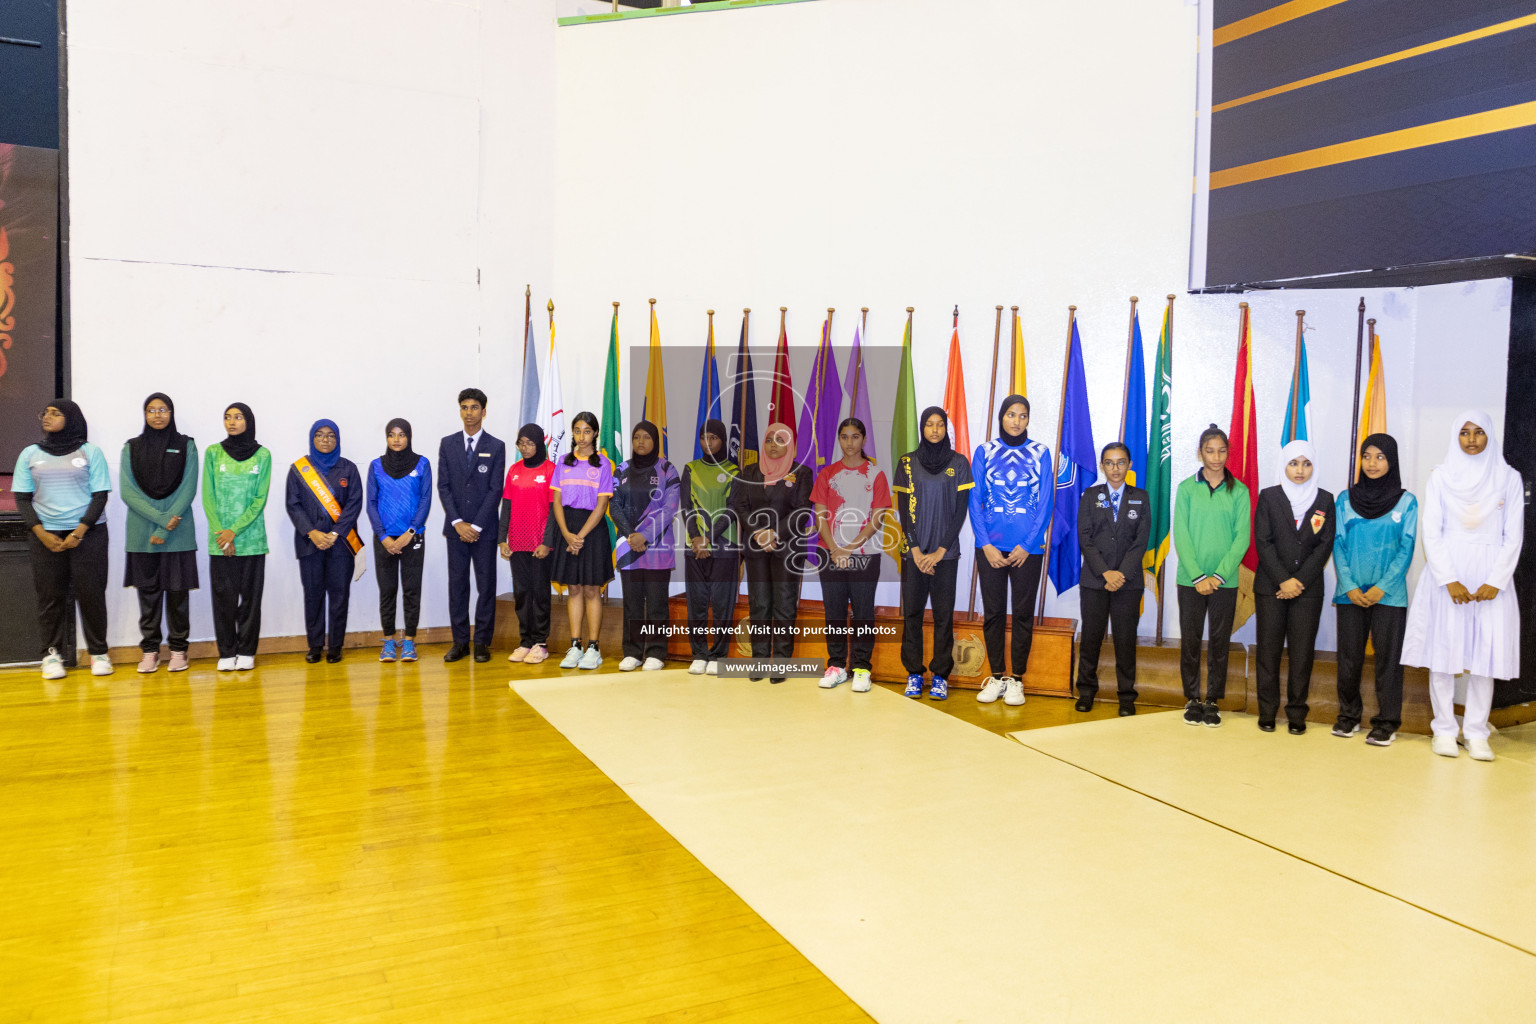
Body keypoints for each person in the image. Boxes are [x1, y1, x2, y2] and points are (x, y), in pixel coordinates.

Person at [1403, 411, 1524, 761]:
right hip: (1448, 574)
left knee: (1485, 656)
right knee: (1443, 652)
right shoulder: (1441, 477)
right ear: (1456, 437)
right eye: (1464, 433)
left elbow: (1512, 535)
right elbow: (1432, 531)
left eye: (1479, 432)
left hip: (1491, 576)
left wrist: (1495, 581)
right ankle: (1443, 728)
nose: (1471, 439)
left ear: (1490, 437)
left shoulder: (1508, 478)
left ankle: (1475, 731)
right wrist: (1449, 578)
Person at [13, 400, 113, 679]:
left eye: (55, 413)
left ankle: (98, 653)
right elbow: (22, 498)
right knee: (50, 596)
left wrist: (80, 531)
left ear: (71, 418)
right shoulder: (29, 454)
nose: (47, 416)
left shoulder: (90, 451)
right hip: (46, 536)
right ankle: (50, 656)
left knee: (91, 595)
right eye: (45, 412)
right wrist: (42, 533)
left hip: (88, 535)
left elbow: (100, 495)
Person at [969, 395, 1054, 706]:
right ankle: (996, 676)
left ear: (1028, 420)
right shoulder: (985, 452)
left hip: (1027, 551)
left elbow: (1046, 503)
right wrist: (985, 543)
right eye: (1010, 414)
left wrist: (1027, 545)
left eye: (1022, 415)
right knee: (993, 614)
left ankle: (1016, 679)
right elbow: (974, 500)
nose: (1016, 421)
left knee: (1021, 615)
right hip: (989, 548)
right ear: (1001, 417)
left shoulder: (1041, 453)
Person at [1332, 433, 1416, 746]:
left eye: (1380, 457)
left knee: (1388, 662)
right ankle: (1348, 716)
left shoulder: (1407, 502)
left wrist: (1382, 587)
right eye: (1367, 456)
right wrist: (1350, 586)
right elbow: (1338, 545)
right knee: (1349, 659)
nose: (1372, 463)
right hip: (1350, 594)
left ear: (1391, 461)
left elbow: (1406, 548)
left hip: (1389, 596)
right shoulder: (1345, 499)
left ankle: (1386, 722)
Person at [1252, 439, 1335, 733]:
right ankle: (1267, 712)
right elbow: (1263, 541)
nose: (1300, 470)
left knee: (1302, 654)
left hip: (1307, 590)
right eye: (1293, 463)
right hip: (1271, 587)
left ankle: (1297, 713)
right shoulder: (1269, 496)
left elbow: (1324, 545)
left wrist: (1298, 582)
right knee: (1269, 652)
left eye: (1306, 463)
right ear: (1284, 465)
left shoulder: (1325, 499)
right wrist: (1283, 580)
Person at [1173, 424, 1251, 727]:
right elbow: (1182, 534)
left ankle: (1212, 700)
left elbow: (1241, 539)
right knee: (1190, 641)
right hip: (1189, 580)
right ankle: (1192, 698)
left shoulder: (1240, 491)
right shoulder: (1186, 488)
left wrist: (1217, 576)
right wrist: (1198, 576)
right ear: (1200, 453)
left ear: (1228, 453)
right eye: (1209, 450)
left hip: (1225, 581)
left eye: (1221, 450)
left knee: (1219, 643)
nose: (1216, 457)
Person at [893, 407, 973, 701]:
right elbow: (904, 511)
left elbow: (960, 512)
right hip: (912, 554)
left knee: (943, 616)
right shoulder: (907, 462)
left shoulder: (960, 463)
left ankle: (940, 675)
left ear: (946, 429)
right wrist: (915, 550)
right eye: (929, 424)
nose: (935, 430)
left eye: (940, 424)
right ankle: (914, 673)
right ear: (922, 429)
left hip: (946, 556)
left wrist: (940, 551)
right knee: (912, 614)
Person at [119, 393, 199, 674]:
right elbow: (128, 493)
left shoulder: (186, 445)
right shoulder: (131, 447)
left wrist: (164, 528)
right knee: (148, 597)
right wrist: (162, 522)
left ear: (171, 413)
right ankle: (150, 652)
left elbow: (188, 488)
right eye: (151, 410)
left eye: (163, 409)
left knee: (178, 596)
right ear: (144, 414)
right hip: (142, 536)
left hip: (178, 534)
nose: (157, 415)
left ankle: (179, 651)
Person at [729, 421, 814, 684]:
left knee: (785, 605)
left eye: (779, 440)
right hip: (755, 548)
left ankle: (780, 663)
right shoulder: (751, 471)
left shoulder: (802, 473)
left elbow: (801, 510)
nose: (773, 445)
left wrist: (774, 534)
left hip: (786, 548)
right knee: (760, 604)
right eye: (768, 440)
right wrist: (758, 533)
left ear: (789, 444)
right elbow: (739, 505)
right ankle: (759, 659)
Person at [812, 417, 891, 693]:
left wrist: (849, 548)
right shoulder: (827, 474)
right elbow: (820, 515)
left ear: (863, 439)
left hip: (864, 555)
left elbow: (877, 518)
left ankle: (861, 668)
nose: (849, 442)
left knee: (862, 613)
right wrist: (835, 549)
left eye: (854, 436)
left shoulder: (876, 474)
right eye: (844, 437)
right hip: (830, 554)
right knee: (833, 612)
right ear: (839, 439)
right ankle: (835, 666)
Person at [1074, 442, 1149, 716]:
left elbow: (1140, 542)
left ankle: (1126, 696)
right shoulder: (1090, 496)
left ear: (1129, 465)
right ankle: (1086, 691)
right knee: (1091, 638)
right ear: (1102, 466)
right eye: (1109, 462)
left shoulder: (1141, 497)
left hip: (1128, 583)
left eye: (1120, 462)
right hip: (1095, 580)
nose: (1115, 468)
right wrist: (1105, 572)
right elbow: (1085, 538)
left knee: (1125, 640)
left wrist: (1120, 574)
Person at [436, 388, 505, 663]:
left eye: (474, 407)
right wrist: (458, 523)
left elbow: (494, 490)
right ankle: (460, 642)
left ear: (484, 411)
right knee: (458, 586)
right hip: (455, 530)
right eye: (464, 407)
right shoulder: (447, 443)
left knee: (486, 586)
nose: (469, 413)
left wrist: (475, 525)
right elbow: (443, 486)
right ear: (460, 411)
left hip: (484, 530)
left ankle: (482, 642)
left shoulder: (496, 446)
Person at [285, 419, 363, 664]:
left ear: (337, 439)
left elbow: (354, 504)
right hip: (310, 544)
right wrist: (313, 533)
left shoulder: (349, 469)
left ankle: (336, 646)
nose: (325, 440)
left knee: (340, 595)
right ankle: (315, 645)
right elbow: (293, 505)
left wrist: (335, 533)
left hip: (340, 544)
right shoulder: (299, 469)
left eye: (331, 436)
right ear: (312, 438)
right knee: (313, 595)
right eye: (320, 435)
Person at [203, 402, 271, 672]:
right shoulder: (212, 453)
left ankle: (246, 651)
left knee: (251, 601)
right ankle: (226, 651)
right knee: (223, 600)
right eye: (227, 417)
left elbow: (259, 499)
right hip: (220, 540)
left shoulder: (262, 455)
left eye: (238, 417)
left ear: (249, 421)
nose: (232, 422)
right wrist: (224, 535)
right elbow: (209, 497)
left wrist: (236, 532)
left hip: (252, 540)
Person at [611, 420, 681, 672]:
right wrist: (631, 536)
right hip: (628, 546)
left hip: (658, 547)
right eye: (636, 437)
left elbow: (670, 507)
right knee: (632, 602)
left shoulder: (667, 469)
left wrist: (645, 536)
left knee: (656, 603)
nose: (640, 442)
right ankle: (632, 652)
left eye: (646, 437)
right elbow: (614, 505)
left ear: (655, 441)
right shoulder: (621, 468)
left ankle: (655, 652)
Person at [546, 411, 614, 670]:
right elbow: (556, 501)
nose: (581, 436)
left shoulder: (603, 465)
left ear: (595, 433)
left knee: (591, 589)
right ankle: (575, 645)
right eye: (577, 430)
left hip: (592, 532)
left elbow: (601, 505)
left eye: (587, 431)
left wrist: (580, 536)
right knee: (573, 588)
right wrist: (565, 534)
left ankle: (593, 648)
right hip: (567, 529)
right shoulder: (563, 462)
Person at [367, 418, 431, 664]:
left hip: (412, 537)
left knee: (412, 590)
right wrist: (383, 536)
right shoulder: (375, 466)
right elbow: (371, 503)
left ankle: (410, 642)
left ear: (409, 437)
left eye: (401, 434)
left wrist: (410, 533)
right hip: (384, 539)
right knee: (388, 590)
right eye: (391, 434)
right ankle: (389, 641)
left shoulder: (422, 464)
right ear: (386, 438)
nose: (396, 439)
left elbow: (425, 500)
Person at [681, 419, 740, 675]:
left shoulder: (734, 471)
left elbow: (733, 509)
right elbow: (686, 507)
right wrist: (696, 538)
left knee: (722, 601)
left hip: (724, 545)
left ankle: (718, 654)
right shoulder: (690, 469)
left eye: (714, 438)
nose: (708, 443)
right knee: (697, 601)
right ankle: (699, 654)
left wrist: (709, 538)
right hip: (694, 545)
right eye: (704, 438)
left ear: (723, 440)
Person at [499, 423, 554, 666]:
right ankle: (525, 641)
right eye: (521, 443)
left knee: (540, 593)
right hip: (517, 542)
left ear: (539, 443)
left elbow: (554, 511)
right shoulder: (514, 470)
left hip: (540, 543)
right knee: (522, 593)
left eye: (530, 443)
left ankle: (540, 643)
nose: (525, 447)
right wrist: (502, 539)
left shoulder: (551, 469)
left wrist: (547, 542)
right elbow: (507, 507)